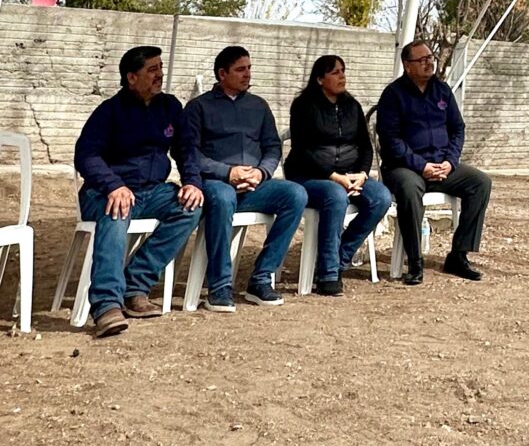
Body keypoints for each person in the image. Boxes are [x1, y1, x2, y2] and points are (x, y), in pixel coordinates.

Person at [74, 45, 203, 339]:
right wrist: (114, 185)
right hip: (105, 193)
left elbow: (186, 150)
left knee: (191, 206)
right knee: (117, 210)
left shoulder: (170, 107)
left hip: (152, 192)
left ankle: (135, 286)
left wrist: (192, 182)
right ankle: (106, 305)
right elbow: (86, 155)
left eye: (160, 68)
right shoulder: (109, 111)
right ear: (131, 78)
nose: (160, 74)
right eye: (152, 69)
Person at [184, 46, 307, 311]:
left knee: (295, 194)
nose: (248, 74)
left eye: (249, 68)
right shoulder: (199, 107)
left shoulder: (258, 106)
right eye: (240, 69)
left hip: (254, 185)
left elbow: (272, 147)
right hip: (216, 184)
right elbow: (189, 152)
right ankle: (219, 286)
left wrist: (261, 172)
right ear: (222, 74)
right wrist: (227, 172)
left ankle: (262, 277)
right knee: (223, 197)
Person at [375, 40, 491, 285]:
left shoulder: (442, 90)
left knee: (480, 182)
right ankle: (415, 261)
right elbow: (391, 140)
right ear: (407, 65)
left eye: (430, 58)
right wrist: (421, 166)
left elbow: (458, 129)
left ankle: (458, 255)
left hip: (442, 165)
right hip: (404, 168)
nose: (429, 63)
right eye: (422, 59)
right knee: (409, 189)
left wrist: (450, 161)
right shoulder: (393, 95)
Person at [284, 55, 392, 295]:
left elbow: (365, 146)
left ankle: (340, 256)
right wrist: (334, 176)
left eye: (343, 71)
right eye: (335, 72)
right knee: (335, 195)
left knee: (381, 198)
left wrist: (362, 174)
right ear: (320, 79)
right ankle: (328, 275)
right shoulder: (303, 106)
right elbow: (303, 149)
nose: (342, 76)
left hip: (349, 174)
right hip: (308, 176)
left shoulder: (352, 106)